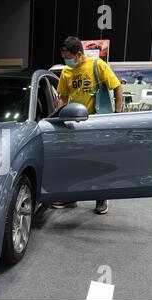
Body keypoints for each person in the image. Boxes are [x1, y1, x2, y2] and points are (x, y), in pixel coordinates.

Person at [54, 36, 123, 215]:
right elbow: (63, 97)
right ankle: (71, 197)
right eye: (64, 58)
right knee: (75, 162)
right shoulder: (67, 72)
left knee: (98, 162)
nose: (66, 61)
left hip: (97, 123)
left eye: (68, 57)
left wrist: (117, 114)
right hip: (76, 124)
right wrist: (57, 118)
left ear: (78, 54)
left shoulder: (97, 65)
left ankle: (101, 198)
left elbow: (117, 87)